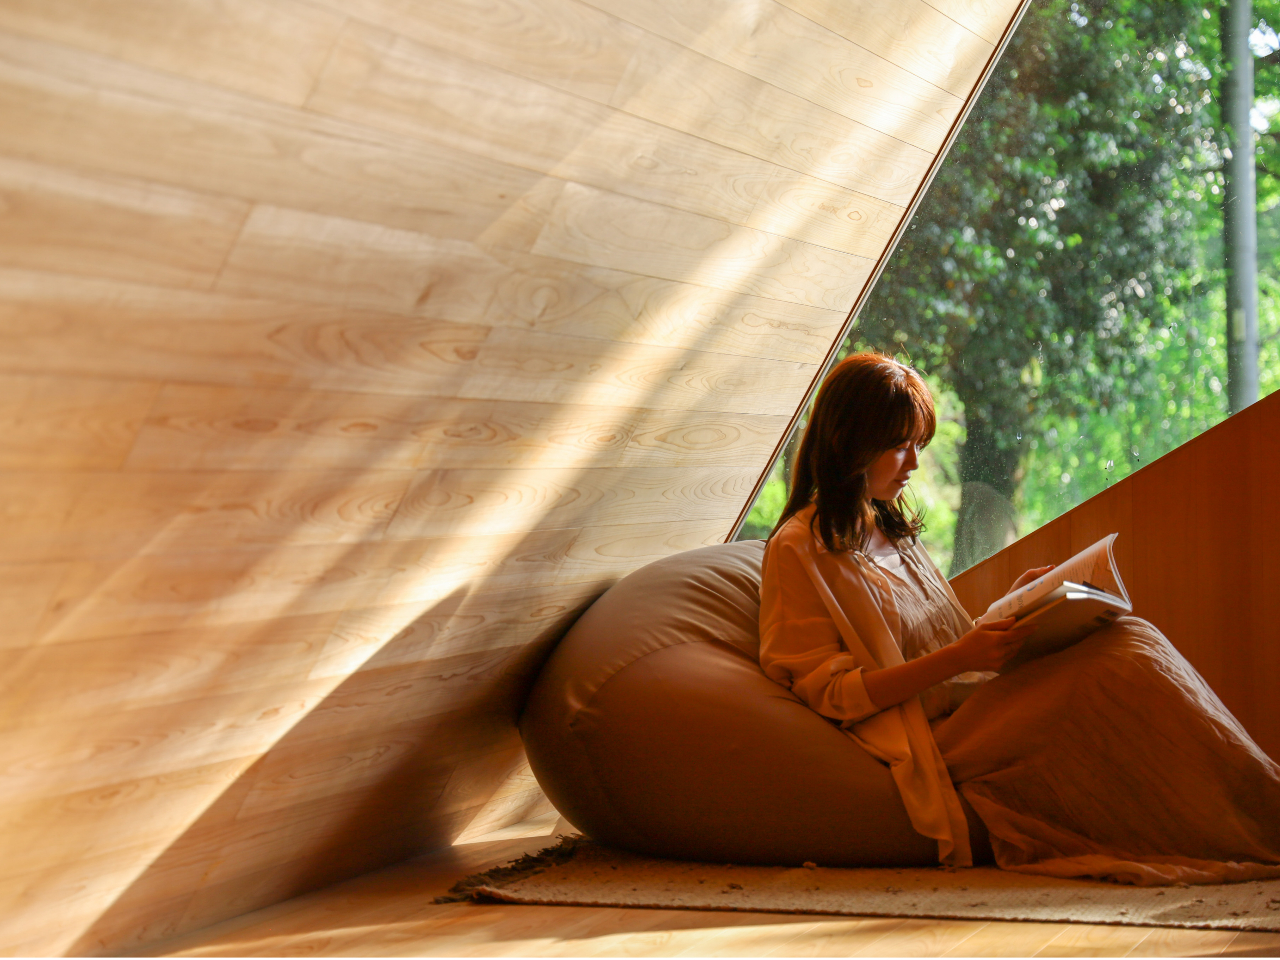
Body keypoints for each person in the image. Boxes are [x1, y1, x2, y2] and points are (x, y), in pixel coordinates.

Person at [759, 351, 1280, 885]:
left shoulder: (887, 525)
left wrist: (1013, 603)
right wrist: (962, 656)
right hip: (931, 735)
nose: (914, 463)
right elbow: (833, 694)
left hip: (972, 697)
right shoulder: (799, 549)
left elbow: (947, 643)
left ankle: (1259, 806)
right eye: (899, 446)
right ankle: (1256, 822)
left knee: (1129, 638)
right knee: (1117, 669)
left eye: (918, 444)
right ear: (851, 442)